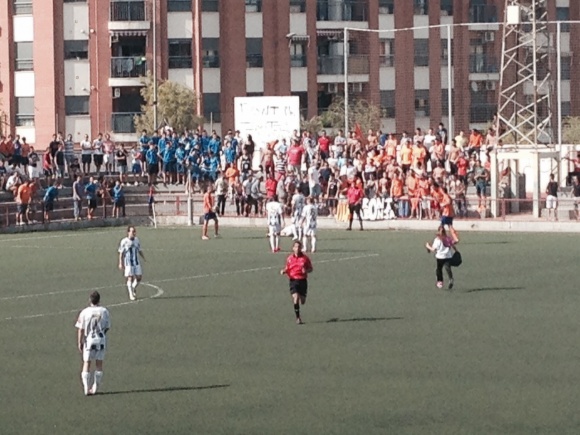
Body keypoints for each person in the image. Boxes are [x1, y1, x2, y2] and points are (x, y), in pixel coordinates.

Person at [75, 290, 111, 396]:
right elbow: (107, 327)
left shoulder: (84, 312)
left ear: (90, 300)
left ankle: (86, 387)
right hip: (101, 339)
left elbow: (80, 329)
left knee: (87, 363)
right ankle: (95, 387)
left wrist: (80, 342)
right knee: (99, 363)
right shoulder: (104, 311)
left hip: (89, 340)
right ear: (99, 300)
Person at [280, 240, 313, 325]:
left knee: (302, 301)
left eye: (299, 247)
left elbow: (311, 269)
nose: (297, 249)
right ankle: (298, 318)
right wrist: (284, 271)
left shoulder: (305, 258)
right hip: (293, 280)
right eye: (296, 247)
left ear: (301, 248)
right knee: (296, 298)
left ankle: (302, 297)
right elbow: (287, 268)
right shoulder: (289, 258)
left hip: (302, 280)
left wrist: (306, 270)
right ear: (293, 248)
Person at [118, 226, 145, 301]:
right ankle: (131, 294)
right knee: (130, 277)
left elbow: (139, 249)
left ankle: (133, 287)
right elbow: (121, 252)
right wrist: (120, 263)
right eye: (132, 231)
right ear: (128, 232)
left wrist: (143, 257)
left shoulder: (137, 240)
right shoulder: (124, 241)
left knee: (139, 277)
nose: (133, 233)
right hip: (128, 263)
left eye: (134, 231)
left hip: (136, 262)